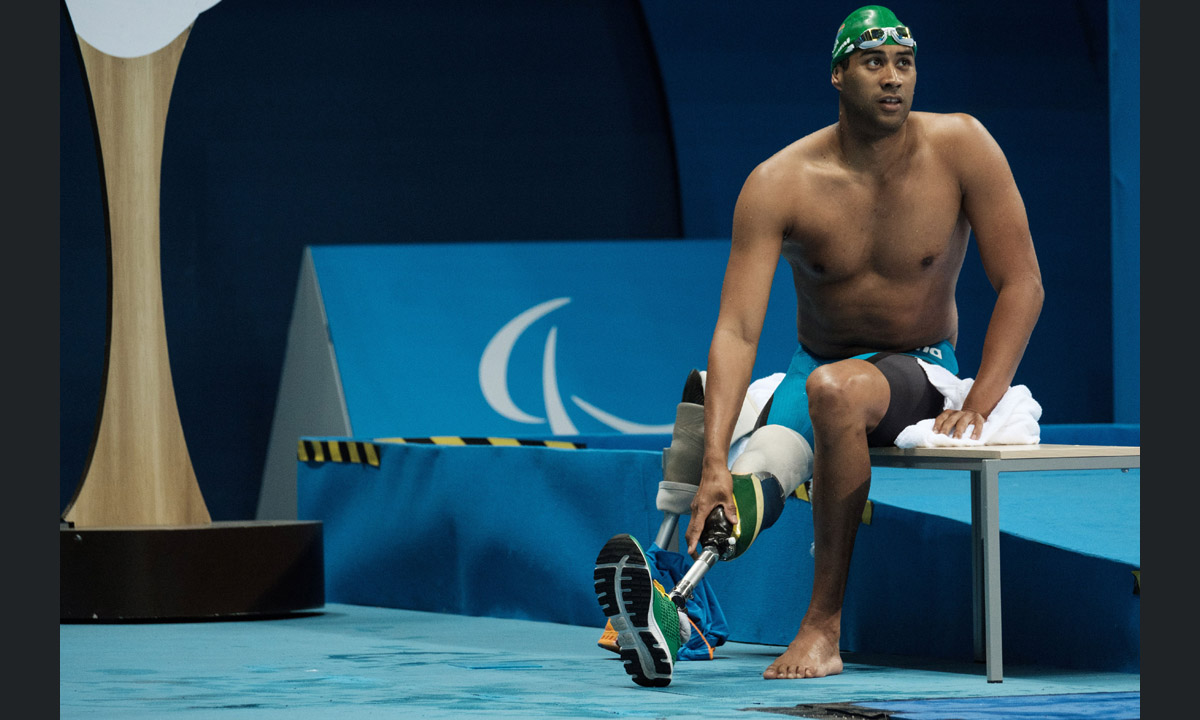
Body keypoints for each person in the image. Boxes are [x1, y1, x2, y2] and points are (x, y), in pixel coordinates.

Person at [593, 5, 1043, 685]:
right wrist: (714, 462)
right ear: (838, 74)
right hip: (818, 369)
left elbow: (1023, 283)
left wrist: (980, 399)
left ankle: (822, 629)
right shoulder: (780, 182)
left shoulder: (963, 147)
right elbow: (737, 329)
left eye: (905, 63)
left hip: (918, 367)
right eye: (873, 62)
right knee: (747, 457)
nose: (893, 78)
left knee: (835, 391)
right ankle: (682, 609)